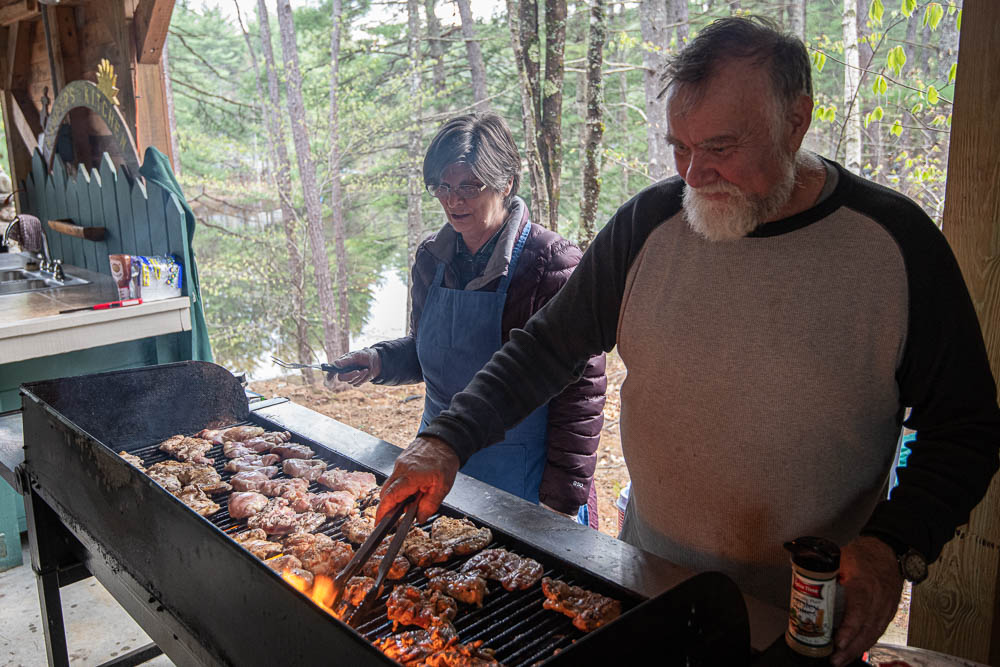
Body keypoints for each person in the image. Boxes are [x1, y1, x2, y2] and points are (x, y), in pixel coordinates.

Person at [374, 17, 1000, 665]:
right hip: (645, 585)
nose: (695, 174)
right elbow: (545, 347)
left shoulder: (895, 246)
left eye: (721, 147)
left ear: (796, 120)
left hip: (804, 616)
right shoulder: (648, 225)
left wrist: (891, 548)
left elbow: (965, 428)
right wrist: (445, 438)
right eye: (680, 146)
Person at [331, 112, 606, 527]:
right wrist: (378, 360)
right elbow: (433, 350)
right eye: (442, 186)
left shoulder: (551, 265)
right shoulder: (432, 258)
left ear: (505, 182)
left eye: (468, 187)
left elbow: (581, 394)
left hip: (522, 475)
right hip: (439, 462)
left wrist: (561, 502)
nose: (452, 200)